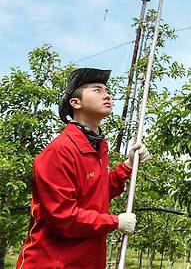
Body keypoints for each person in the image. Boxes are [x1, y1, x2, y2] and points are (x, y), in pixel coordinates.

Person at [16, 68, 150, 269]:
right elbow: (62, 217)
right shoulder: (59, 151)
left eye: (107, 90)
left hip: (87, 260)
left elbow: (96, 192)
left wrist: (128, 166)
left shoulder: (98, 146)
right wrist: (115, 222)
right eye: (97, 90)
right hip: (53, 262)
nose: (107, 95)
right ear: (76, 103)